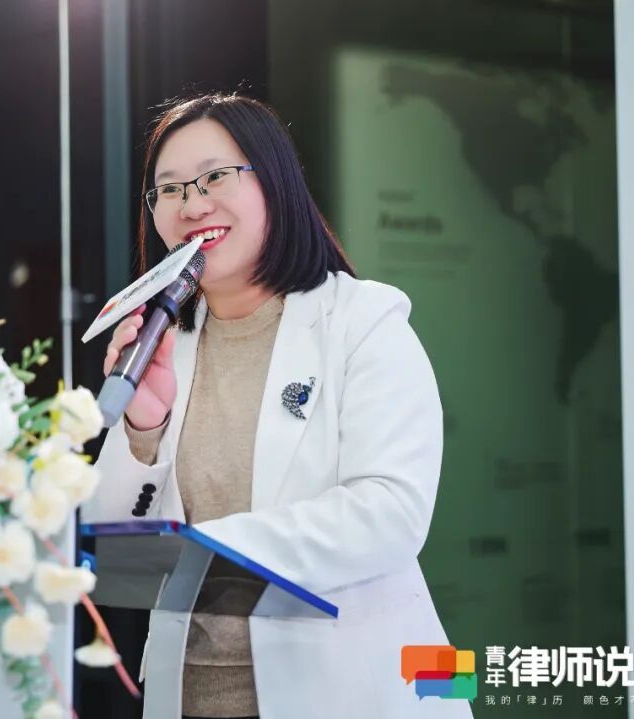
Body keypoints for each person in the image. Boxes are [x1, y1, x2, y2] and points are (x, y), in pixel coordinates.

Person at [82, 92, 471, 719]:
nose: (192, 205)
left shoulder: (363, 320)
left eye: (214, 177)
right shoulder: (164, 342)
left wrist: (205, 549)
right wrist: (143, 425)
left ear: (275, 183)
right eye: (169, 189)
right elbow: (109, 540)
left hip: (354, 694)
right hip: (191, 697)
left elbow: (391, 514)